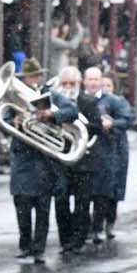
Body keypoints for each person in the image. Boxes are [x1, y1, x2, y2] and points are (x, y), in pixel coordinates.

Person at [7, 59, 55, 264]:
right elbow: (3, 120)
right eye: (30, 76)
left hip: (44, 159)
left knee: (43, 209)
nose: (35, 79)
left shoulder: (50, 94)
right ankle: (25, 245)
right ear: (24, 78)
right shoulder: (15, 99)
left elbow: (69, 111)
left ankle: (39, 249)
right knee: (22, 208)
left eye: (37, 75)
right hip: (23, 159)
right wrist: (14, 122)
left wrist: (52, 115)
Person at [48, 66, 96, 255]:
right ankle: (65, 239)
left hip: (84, 159)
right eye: (64, 83)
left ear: (79, 84)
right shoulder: (54, 102)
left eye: (72, 84)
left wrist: (79, 126)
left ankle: (78, 240)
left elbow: (97, 127)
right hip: (61, 159)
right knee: (61, 200)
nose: (68, 87)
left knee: (82, 202)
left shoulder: (88, 102)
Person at [82, 66, 132, 243]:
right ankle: (84, 229)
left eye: (96, 79)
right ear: (84, 81)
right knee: (84, 194)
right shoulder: (79, 99)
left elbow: (127, 119)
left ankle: (99, 227)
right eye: (90, 79)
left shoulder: (113, 101)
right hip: (84, 152)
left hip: (106, 151)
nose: (93, 83)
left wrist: (112, 124)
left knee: (103, 193)